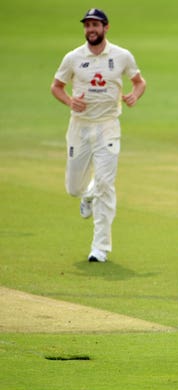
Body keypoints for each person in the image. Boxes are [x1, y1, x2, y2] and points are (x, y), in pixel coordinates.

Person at [50, 8, 146, 262]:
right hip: (80, 127)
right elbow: (56, 87)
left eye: (95, 25)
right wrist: (70, 101)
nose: (91, 29)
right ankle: (87, 194)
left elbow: (139, 81)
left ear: (106, 27)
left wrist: (134, 95)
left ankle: (100, 248)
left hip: (108, 126)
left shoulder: (122, 56)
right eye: (87, 25)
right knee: (74, 188)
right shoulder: (73, 57)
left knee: (106, 185)